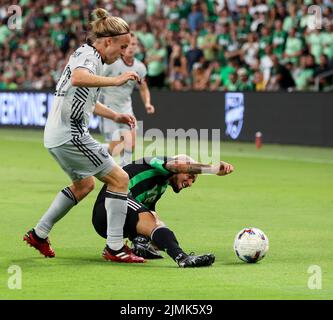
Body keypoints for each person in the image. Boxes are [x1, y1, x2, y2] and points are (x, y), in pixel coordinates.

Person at [23, 8, 145, 263]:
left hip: (58, 134)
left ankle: (39, 233)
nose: (123, 53)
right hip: (71, 134)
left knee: (84, 185)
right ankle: (115, 248)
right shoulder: (89, 56)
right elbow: (79, 79)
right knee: (120, 179)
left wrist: (115, 116)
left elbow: (85, 98)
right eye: (121, 47)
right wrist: (117, 80)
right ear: (108, 41)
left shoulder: (87, 56)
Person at [92, 155, 234, 267]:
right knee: (153, 221)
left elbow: (147, 219)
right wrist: (213, 169)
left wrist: (147, 241)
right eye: (190, 176)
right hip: (107, 207)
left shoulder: (161, 186)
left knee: (155, 222)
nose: (190, 183)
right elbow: (177, 165)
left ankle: (139, 245)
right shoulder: (162, 161)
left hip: (116, 220)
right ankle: (182, 258)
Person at [99, 33, 155, 166]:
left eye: (134, 44)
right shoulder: (113, 63)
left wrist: (147, 103)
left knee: (131, 143)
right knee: (114, 149)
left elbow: (143, 88)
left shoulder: (140, 67)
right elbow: (98, 80)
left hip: (126, 108)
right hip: (108, 109)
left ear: (137, 47)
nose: (131, 47)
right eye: (128, 44)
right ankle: (94, 149)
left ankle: (125, 173)